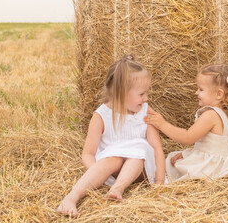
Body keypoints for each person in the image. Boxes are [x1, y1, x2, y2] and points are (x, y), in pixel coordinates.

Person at [57, 55, 165, 217]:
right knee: (113, 158)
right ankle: (71, 198)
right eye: (142, 94)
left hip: (140, 170)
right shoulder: (101, 115)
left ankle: (118, 189)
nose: (146, 98)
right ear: (121, 93)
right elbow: (88, 153)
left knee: (137, 152)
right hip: (111, 169)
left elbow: (157, 148)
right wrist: (97, 174)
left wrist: (160, 181)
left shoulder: (145, 112)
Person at [145, 64, 228, 183]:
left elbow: (187, 137)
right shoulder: (226, 115)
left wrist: (162, 124)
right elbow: (213, 148)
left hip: (211, 169)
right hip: (226, 167)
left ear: (219, 94)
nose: (196, 92)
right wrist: (187, 154)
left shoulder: (210, 115)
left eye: (201, 89)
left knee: (168, 165)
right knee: (177, 157)